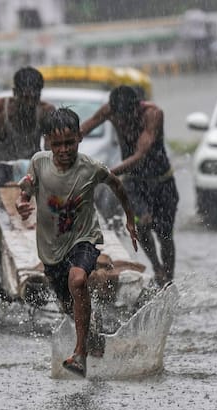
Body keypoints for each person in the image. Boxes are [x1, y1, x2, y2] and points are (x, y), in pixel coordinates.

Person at [16, 108, 138, 378]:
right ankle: (93, 339)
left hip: (85, 239)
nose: (63, 150)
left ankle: (80, 353)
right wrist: (22, 203)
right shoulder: (39, 163)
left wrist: (130, 219)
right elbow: (25, 189)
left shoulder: (90, 168)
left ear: (80, 137)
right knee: (69, 306)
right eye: (57, 144)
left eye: (69, 142)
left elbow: (117, 185)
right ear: (47, 141)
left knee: (79, 280)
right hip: (51, 249)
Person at [80, 85, 179, 287]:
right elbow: (87, 126)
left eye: (126, 117)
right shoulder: (111, 110)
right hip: (134, 183)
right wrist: (64, 141)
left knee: (165, 235)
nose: (123, 123)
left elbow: (139, 156)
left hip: (162, 182)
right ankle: (157, 268)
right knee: (141, 224)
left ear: (136, 108)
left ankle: (168, 279)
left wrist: (106, 174)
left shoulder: (152, 115)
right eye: (119, 119)